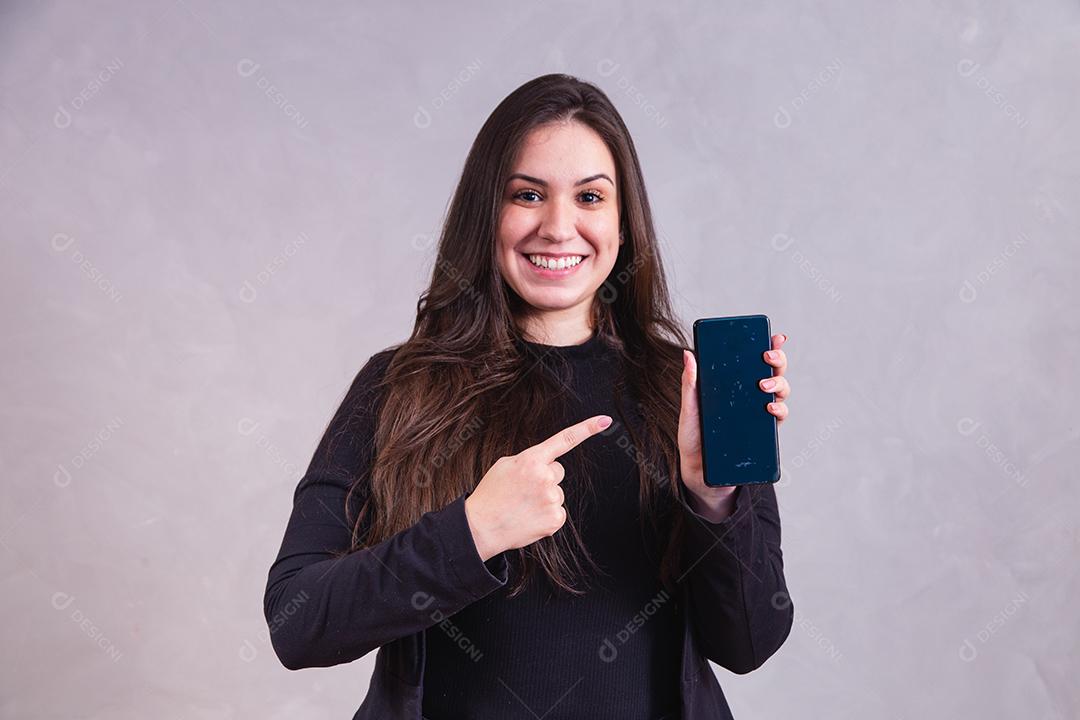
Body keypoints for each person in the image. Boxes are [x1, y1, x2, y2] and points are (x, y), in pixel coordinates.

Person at [263, 72, 795, 720]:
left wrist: (713, 500)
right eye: (528, 194)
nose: (558, 225)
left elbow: (748, 642)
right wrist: (472, 531)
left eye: (591, 197)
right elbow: (297, 620)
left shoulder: (683, 391)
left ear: (624, 226)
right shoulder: (397, 387)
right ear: (487, 212)